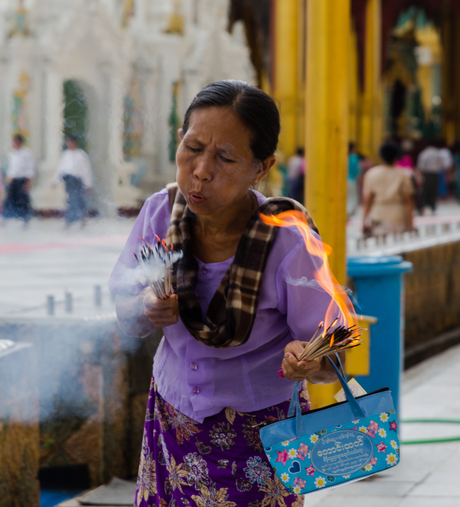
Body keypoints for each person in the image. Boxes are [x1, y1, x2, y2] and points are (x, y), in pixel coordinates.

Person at [108, 81, 346, 507]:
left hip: (261, 438)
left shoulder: (288, 242)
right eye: (193, 147)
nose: (200, 170)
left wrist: (307, 359)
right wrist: (144, 308)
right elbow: (124, 309)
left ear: (262, 167)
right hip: (170, 419)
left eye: (224, 158)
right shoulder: (159, 214)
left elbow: (334, 354)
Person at [362, 140, 414, 236]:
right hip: (398, 217)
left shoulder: (371, 174)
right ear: (396, 156)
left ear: (381, 156)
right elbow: (408, 202)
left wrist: (364, 221)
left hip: (377, 217)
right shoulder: (403, 175)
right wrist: (411, 225)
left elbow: (367, 200)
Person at [53, 134, 92, 226]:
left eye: (70, 142)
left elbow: (86, 170)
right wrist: (55, 180)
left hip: (77, 180)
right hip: (69, 180)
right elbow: (60, 168)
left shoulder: (81, 155)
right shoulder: (65, 155)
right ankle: (69, 220)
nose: (69, 144)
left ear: (75, 142)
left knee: (79, 199)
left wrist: (88, 184)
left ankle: (82, 219)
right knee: (70, 199)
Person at [1, 134, 35, 224]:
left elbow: (29, 168)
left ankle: (25, 219)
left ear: (19, 142)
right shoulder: (13, 153)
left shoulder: (26, 153)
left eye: (15, 142)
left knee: (22, 200)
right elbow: (11, 167)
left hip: (22, 180)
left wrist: (28, 183)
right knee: (9, 199)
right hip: (13, 180)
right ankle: (5, 218)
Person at [416, 140, 444, 214]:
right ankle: (433, 207)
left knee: (425, 191)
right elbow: (441, 164)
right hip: (435, 174)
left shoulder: (424, 153)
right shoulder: (437, 153)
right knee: (433, 191)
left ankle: (422, 208)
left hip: (427, 174)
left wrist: (420, 176)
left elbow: (420, 166)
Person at [347, 142, 360, 217]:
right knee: (353, 197)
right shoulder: (354, 158)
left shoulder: (341, 156)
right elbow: (357, 170)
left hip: (342, 180)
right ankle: (349, 213)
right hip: (351, 179)